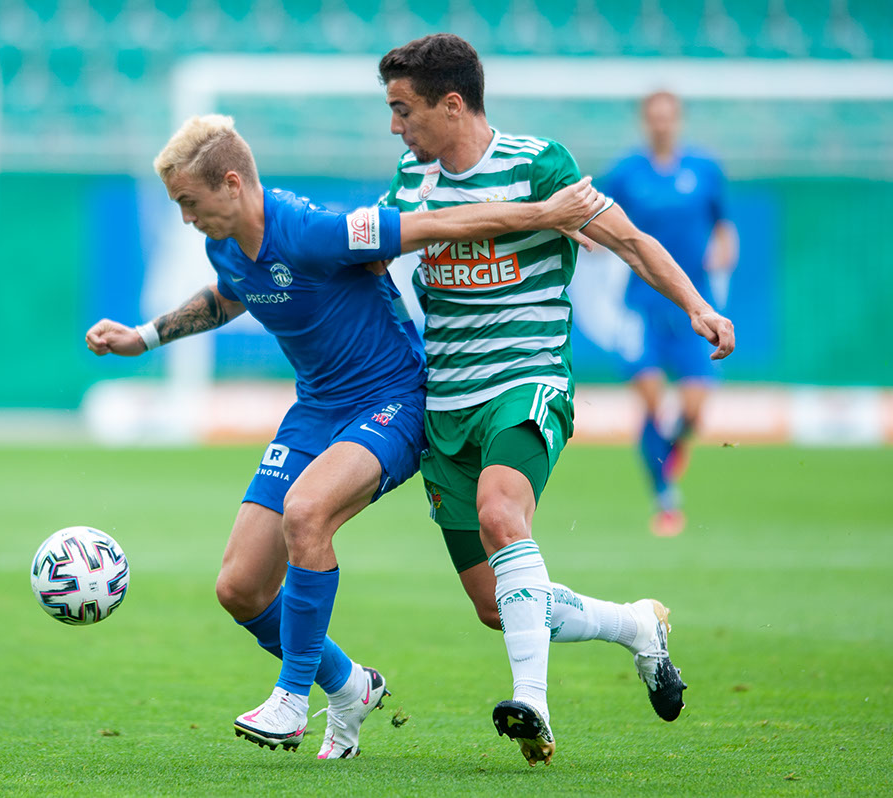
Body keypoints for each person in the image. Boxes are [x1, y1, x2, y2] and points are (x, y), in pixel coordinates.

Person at [85, 114, 605, 760]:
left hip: (392, 401)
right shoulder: (225, 246)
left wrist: (541, 213)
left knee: (306, 513)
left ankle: (290, 700)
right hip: (316, 409)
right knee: (240, 588)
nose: (186, 217)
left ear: (231, 183)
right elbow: (228, 295)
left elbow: (433, 225)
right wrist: (144, 337)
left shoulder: (313, 231)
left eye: (189, 202)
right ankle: (350, 686)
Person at [376, 34, 736, 766]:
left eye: (403, 110)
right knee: (497, 606)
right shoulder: (411, 181)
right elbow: (369, 257)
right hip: (446, 404)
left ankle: (532, 704)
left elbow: (629, 241)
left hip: (526, 381)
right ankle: (636, 625)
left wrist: (697, 305)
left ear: (453, 105)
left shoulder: (540, 165)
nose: (394, 126)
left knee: (501, 513)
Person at [600, 90, 738, 537]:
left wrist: (724, 249)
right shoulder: (626, 173)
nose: (661, 124)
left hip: (693, 307)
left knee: (693, 410)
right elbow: (600, 219)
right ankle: (665, 499)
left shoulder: (704, 169)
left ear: (678, 120)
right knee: (652, 400)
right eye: (654, 117)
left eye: (668, 116)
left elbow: (723, 225)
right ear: (645, 121)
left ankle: (673, 448)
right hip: (642, 307)